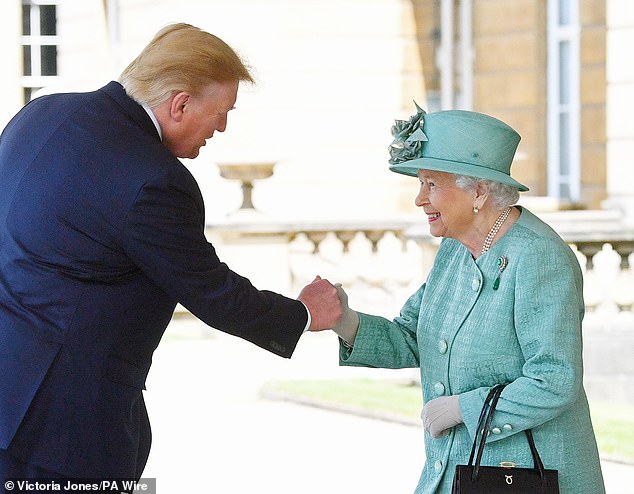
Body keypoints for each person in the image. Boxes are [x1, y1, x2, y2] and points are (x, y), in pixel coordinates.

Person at [0, 23, 340, 481]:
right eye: (222, 113)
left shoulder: (40, 113)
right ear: (179, 104)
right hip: (65, 429)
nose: (222, 126)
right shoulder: (156, 180)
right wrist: (303, 314)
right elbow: (212, 292)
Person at [330, 104, 606, 493]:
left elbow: (554, 379)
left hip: (523, 476)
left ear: (477, 190)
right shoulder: (456, 250)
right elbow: (413, 336)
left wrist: (463, 409)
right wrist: (345, 320)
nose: (419, 200)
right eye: (420, 184)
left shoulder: (539, 257)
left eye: (431, 184)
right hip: (457, 472)